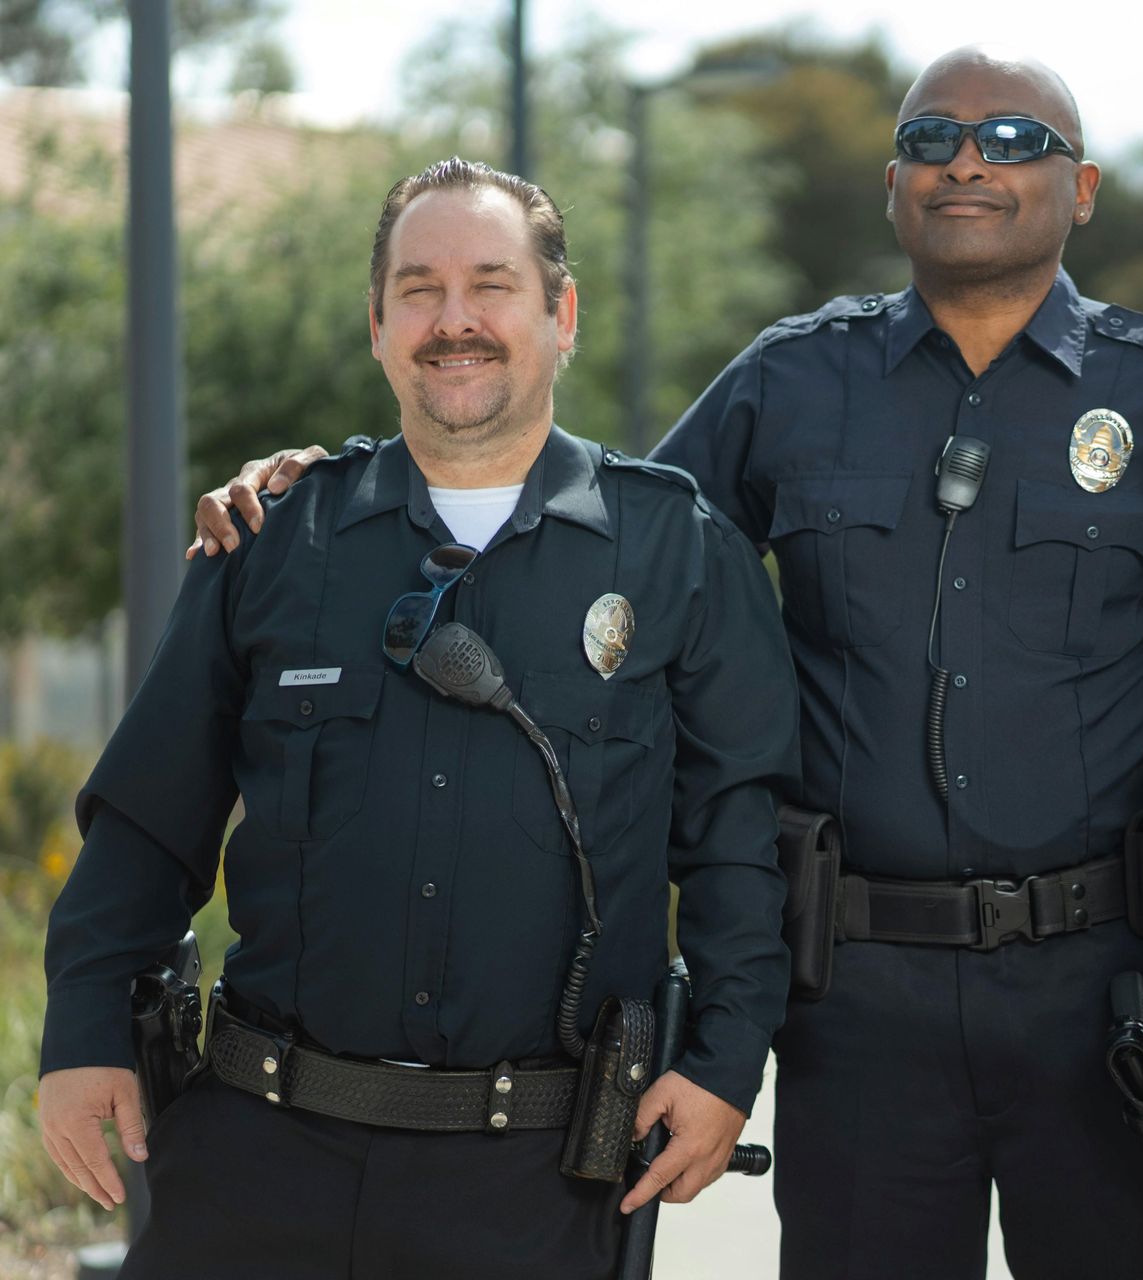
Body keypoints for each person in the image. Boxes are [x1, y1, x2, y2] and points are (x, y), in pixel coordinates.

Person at [186, 48, 1143, 1280]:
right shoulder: (789, 381)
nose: (968, 161)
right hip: (860, 1000)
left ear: (1080, 188)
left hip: (1112, 993)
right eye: (930, 139)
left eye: (1016, 139)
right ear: (892, 186)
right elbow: (589, 539)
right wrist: (339, 486)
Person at [38, 158, 799, 1279]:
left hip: (535, 1183)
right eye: (418, 288)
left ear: (561, 313)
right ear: (379, 322)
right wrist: (87, 1027)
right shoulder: (271, 540)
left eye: (491, 284)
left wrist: (729, 1058)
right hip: (259, 1156)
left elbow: (739, 836)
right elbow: (151, 814)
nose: (455, 321)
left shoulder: (678, 552)